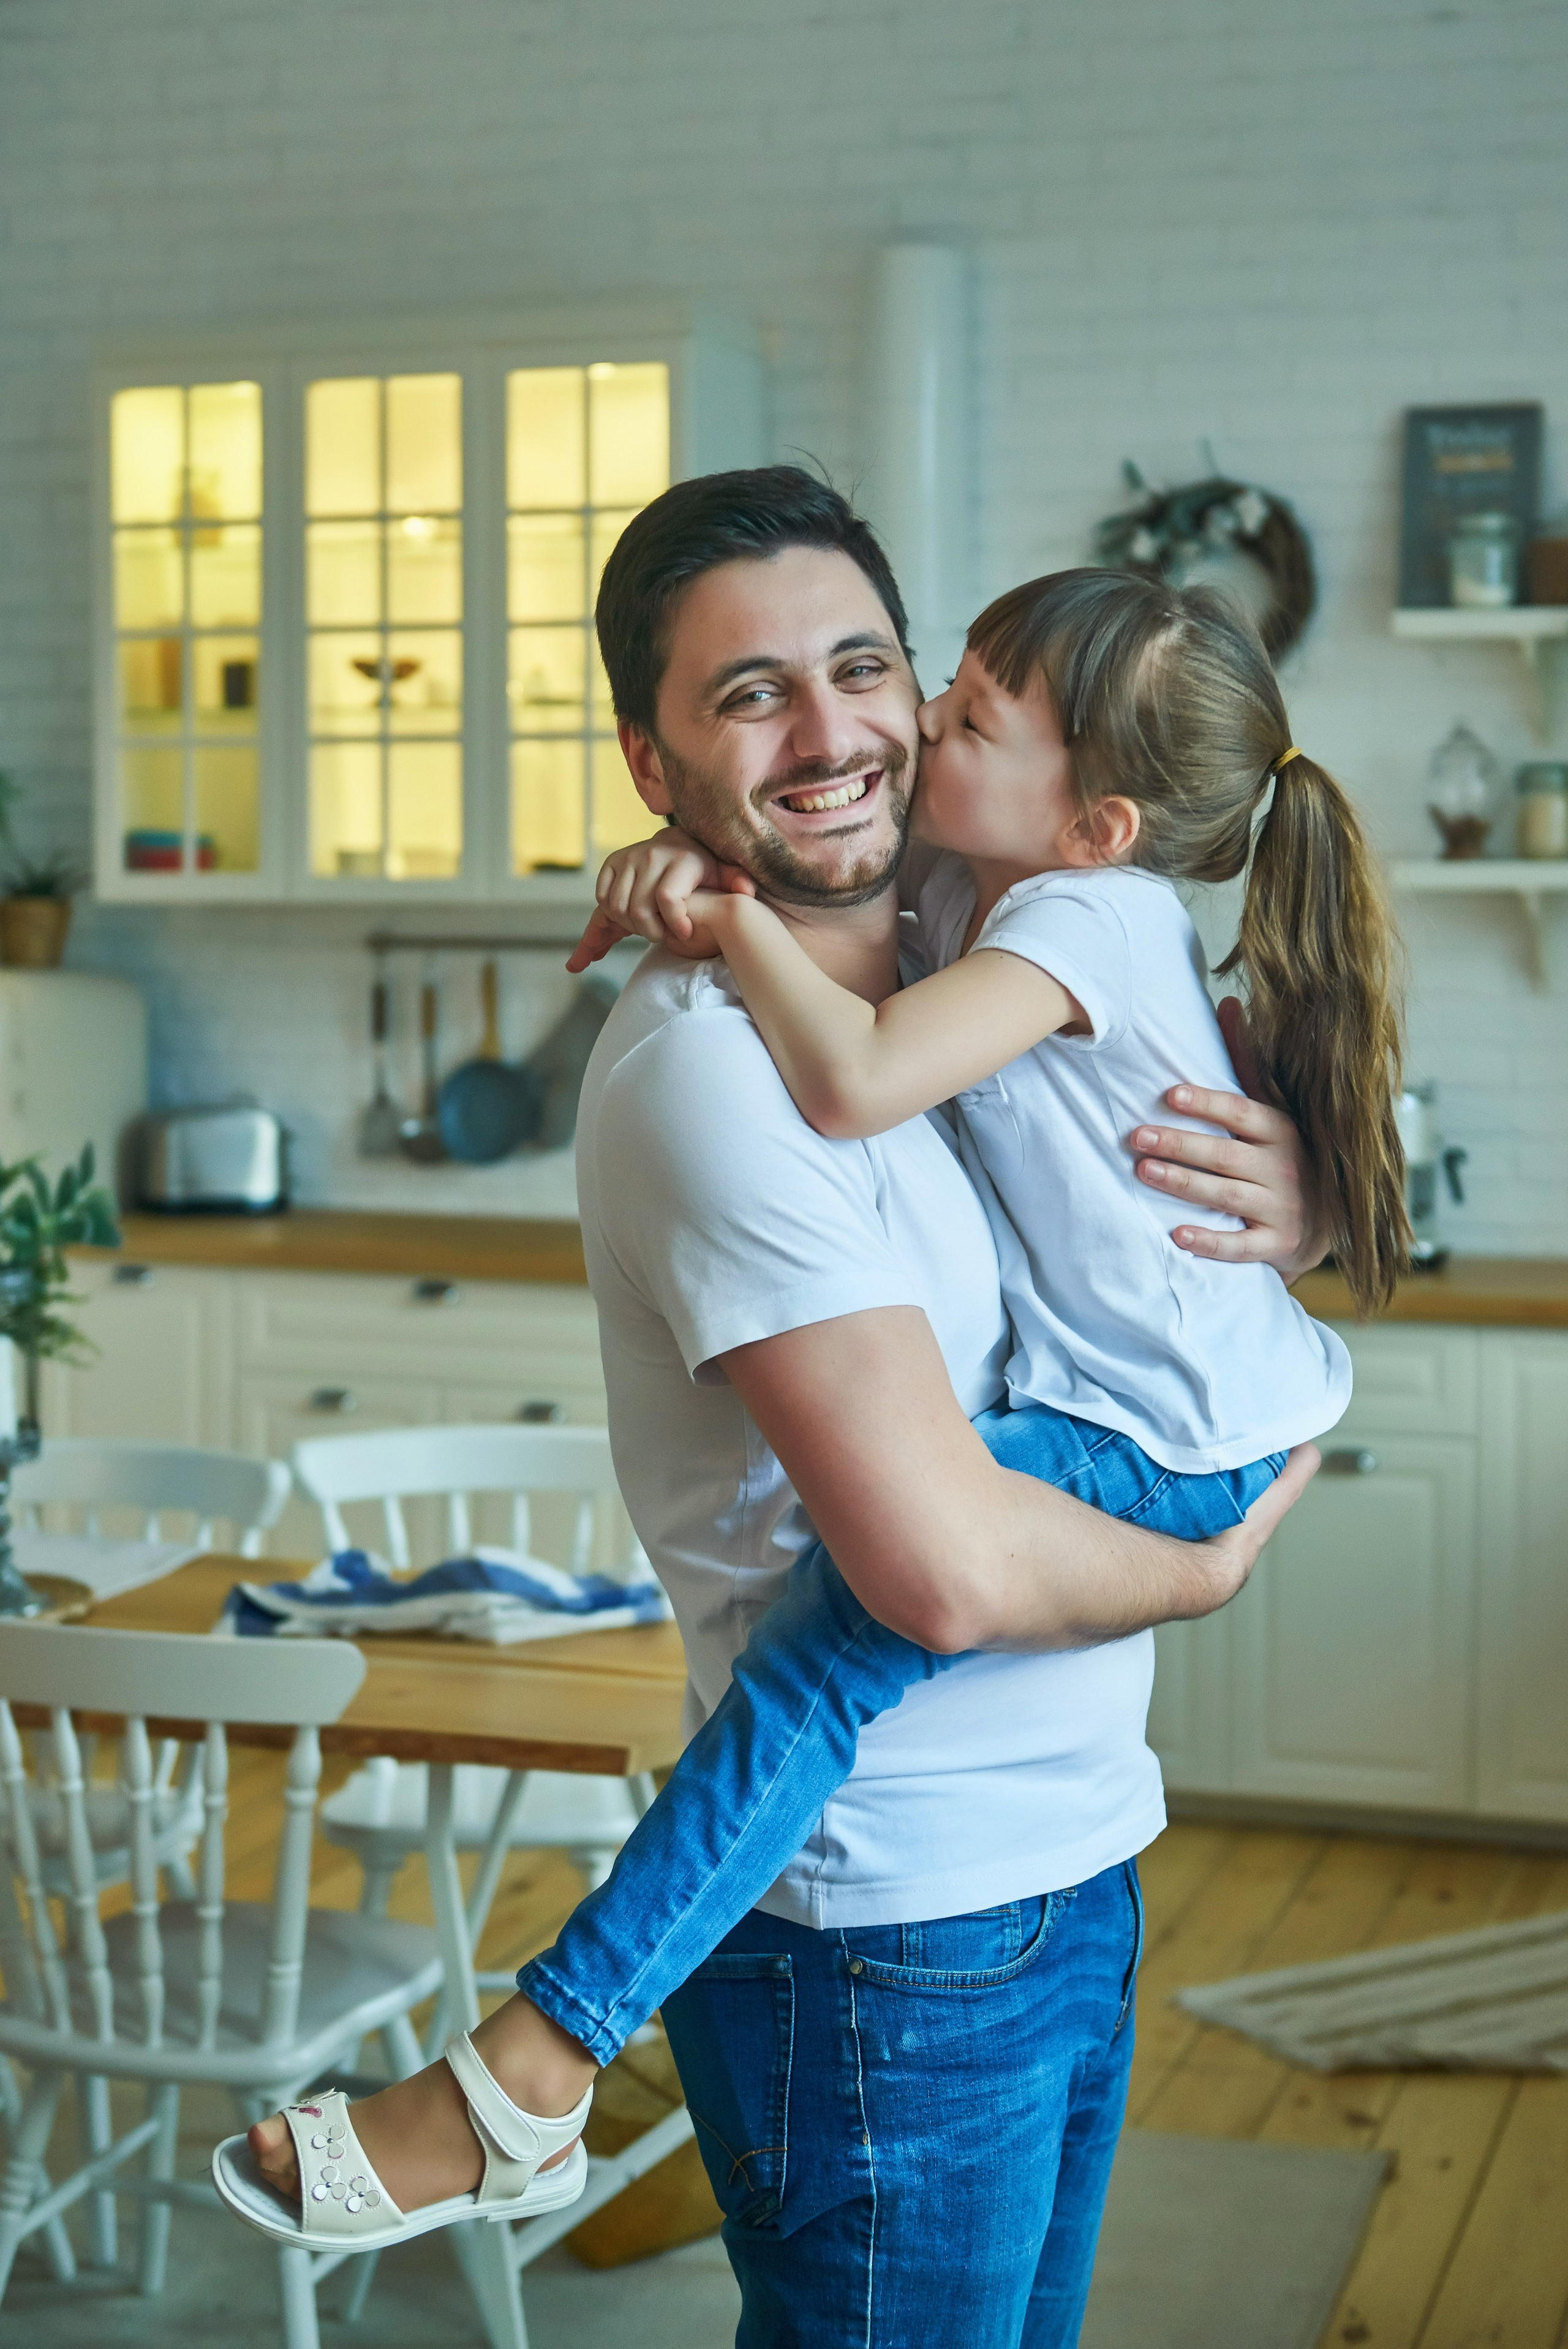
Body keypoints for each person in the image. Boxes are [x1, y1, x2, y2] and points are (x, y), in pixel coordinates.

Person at [230, 470, 1328, 2347]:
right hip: (884, 1937)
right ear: (654, 766)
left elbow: (1151, 1184)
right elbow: (943, 1576)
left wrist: (1285, 1195)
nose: (831, 735)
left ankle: (520, 2067)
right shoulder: (713, 1081)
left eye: (866, 670)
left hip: (1066, 1859)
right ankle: (527, 2066)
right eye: (750, 696)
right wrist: (1213, 1561)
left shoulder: (973, 926)